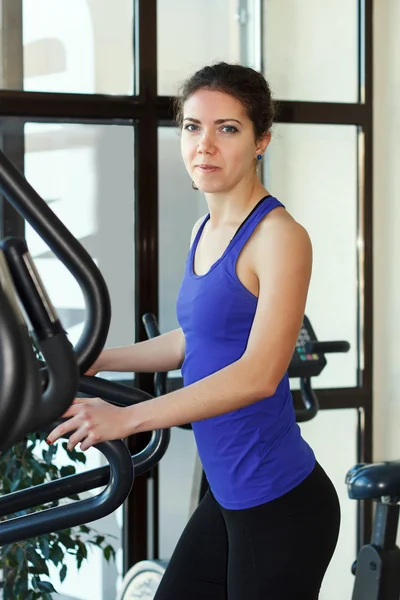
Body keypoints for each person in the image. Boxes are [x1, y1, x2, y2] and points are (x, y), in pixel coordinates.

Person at [47, 62, 341, 599]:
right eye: (191, 126)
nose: (204, 144)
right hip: (228, 497)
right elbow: (190, 341)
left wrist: (126, 417)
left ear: (261, 141)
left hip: (280, 506)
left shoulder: (279, 237)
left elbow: (256, 374)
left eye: (227, 128)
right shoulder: (202, 228)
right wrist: (94, 360)